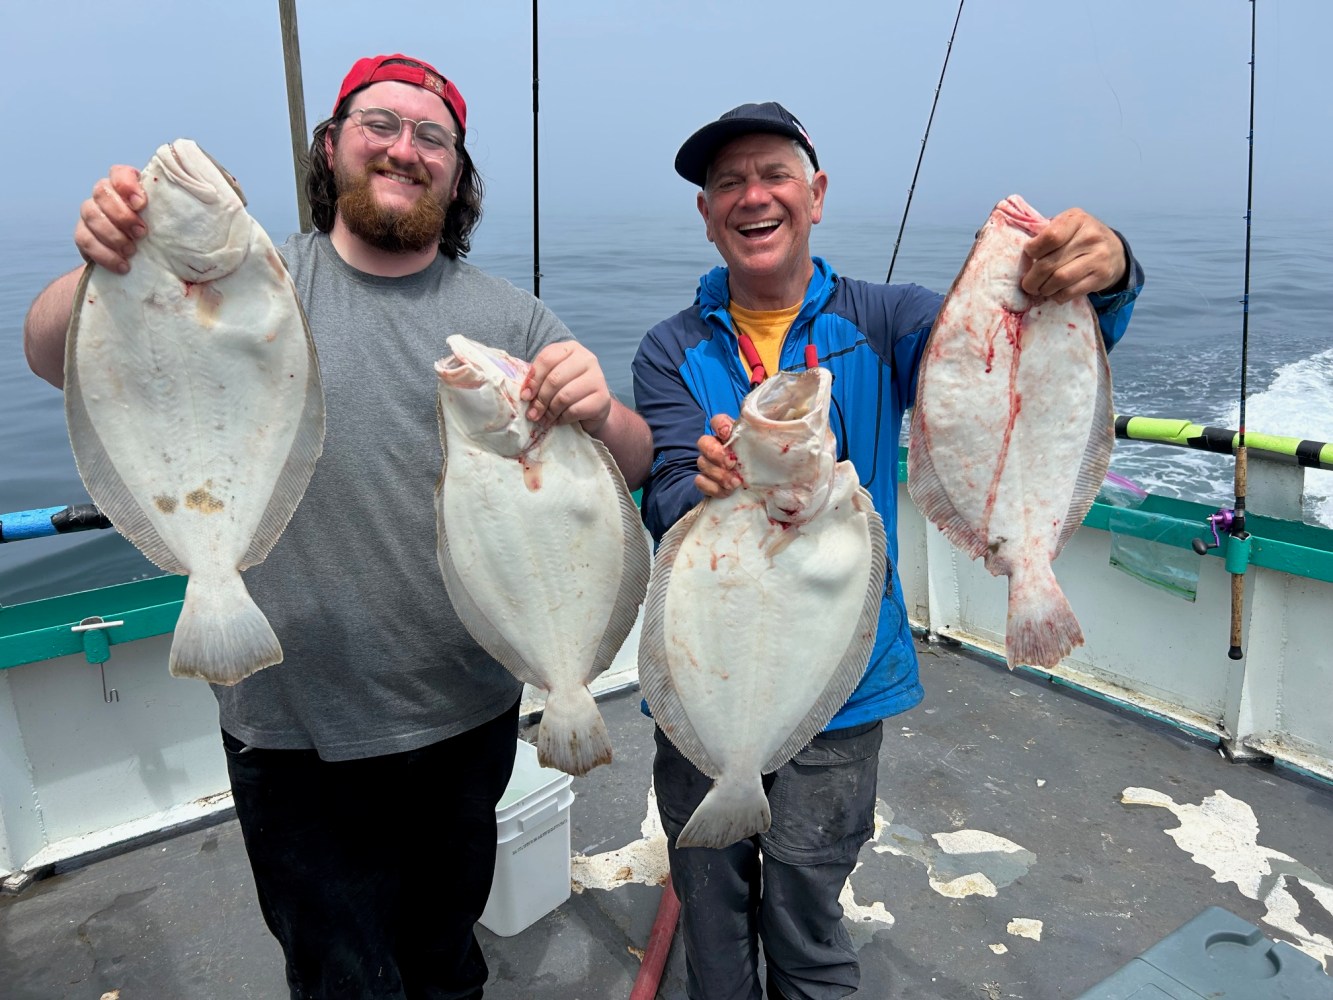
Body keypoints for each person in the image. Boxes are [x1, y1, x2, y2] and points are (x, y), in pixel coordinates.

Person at [24, 54, 652, 1000]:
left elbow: (632, 465)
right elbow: (49, 352)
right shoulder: (259, 278)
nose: (405, 149)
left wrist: (601, 410)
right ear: (331, 145)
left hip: (462, 714)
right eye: (380, 125)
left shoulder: (510, 318)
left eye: (432, 136)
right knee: (338, 979)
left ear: (457, 169)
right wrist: (103, 258)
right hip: (290, 729)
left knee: (445, 963)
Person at [631, 102, 1144, 1000]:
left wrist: (1107, 276)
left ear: (816, 194)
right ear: (707, 214)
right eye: (727, 183)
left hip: (843, 680)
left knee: (808, 906)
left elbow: (1007, 353)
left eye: (773, 174)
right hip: (706, 675)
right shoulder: (669, 348)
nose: (752, 195)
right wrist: (698, 481)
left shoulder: (889, 319)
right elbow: (665, 487)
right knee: (709, 909)